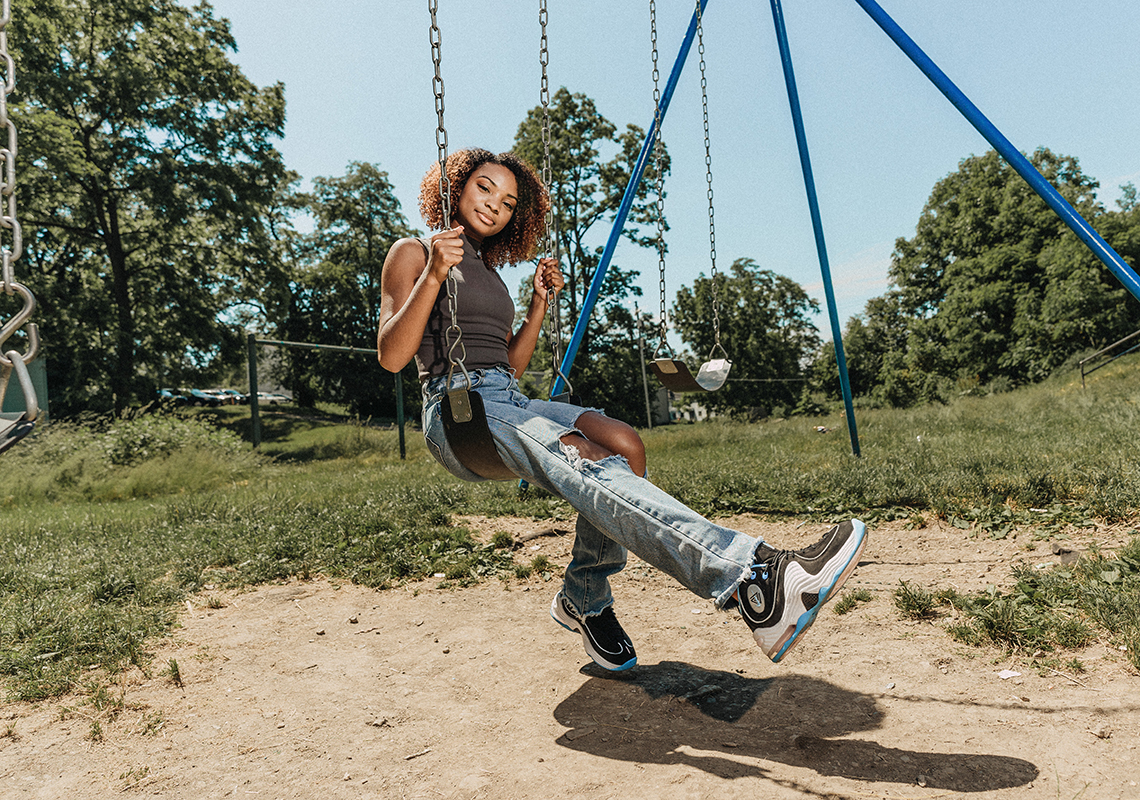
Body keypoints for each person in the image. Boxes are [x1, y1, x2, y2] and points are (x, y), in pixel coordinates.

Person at [378, 147, 867, 671]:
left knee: (623, 444)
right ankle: (749, 575)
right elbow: (392, 355)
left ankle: (584, 597)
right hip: (456, 409)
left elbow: (509, 367)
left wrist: (539, 304)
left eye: (509, 201)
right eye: (484, 188)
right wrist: (432, 274)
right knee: (582, 455)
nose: (495, 205)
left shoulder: (492, 276)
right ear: (456, 184)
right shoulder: (414, 251)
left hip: (505, 397)